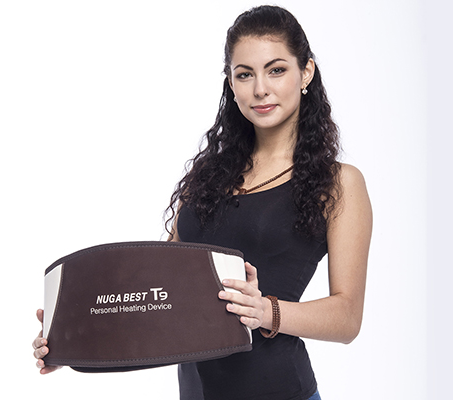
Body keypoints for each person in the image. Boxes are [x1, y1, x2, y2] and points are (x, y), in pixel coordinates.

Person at [33, 5, 372, 400]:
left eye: (276, 70)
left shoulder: (339, 183)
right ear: (231, 83)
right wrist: (74, 338)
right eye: (244, 74)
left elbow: (348, 317)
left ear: (306, 72)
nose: (260, 89)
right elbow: (159, 294)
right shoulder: (208, 175)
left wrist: (266, 311)